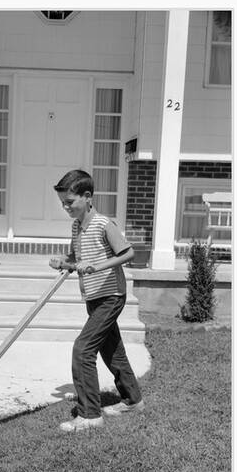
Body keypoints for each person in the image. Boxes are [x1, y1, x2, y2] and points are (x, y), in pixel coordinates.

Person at [49, 169, 144, 433]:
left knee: (83, 349)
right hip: (93, 296)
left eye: (70, 201)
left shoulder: (104, 224)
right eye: (63, 203)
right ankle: (133, 400)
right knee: (111, 350)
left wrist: (98, 266)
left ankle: (90, 415)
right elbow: (76, 257)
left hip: (111, 295)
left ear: (87, 196)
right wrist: (63, 261)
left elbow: (128, 253)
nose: (66, 207)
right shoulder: (77, 226)